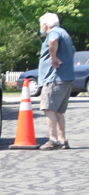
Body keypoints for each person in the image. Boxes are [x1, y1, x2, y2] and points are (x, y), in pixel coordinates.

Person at [37, 12, 76, 150]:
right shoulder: (65, 34)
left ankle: (53, 140)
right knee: (59, 112)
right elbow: (73, 52)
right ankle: (62, 140)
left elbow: (53, 41)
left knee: (48, 109)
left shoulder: (53, 33)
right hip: (66, 78)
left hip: (54, 79)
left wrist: (53, 57)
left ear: (45, 25)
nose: (40, 28)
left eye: (41, 25)